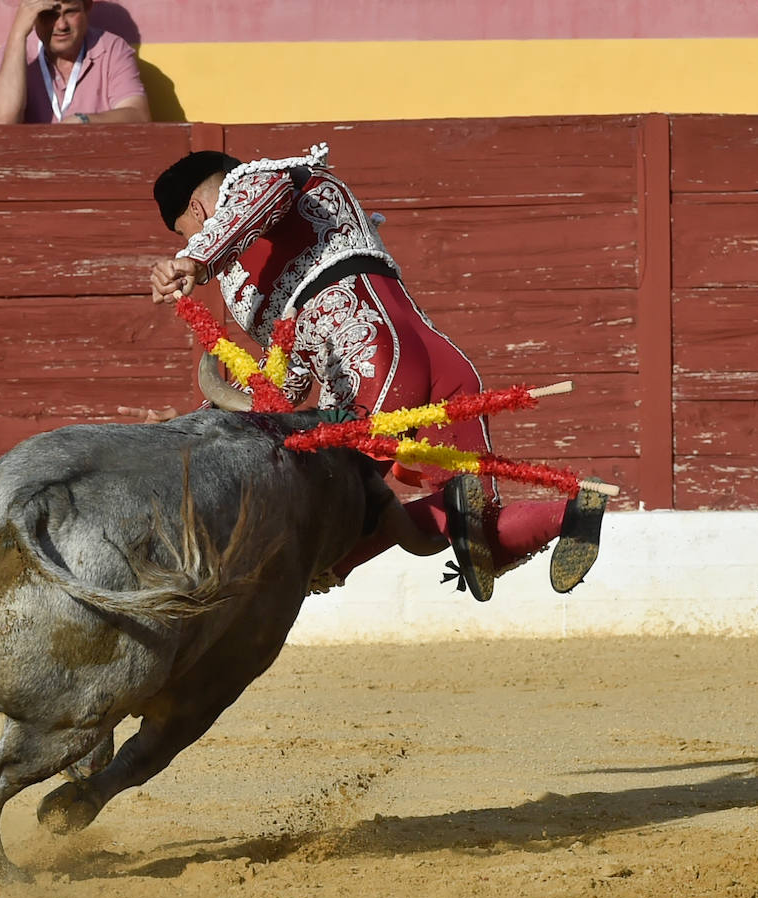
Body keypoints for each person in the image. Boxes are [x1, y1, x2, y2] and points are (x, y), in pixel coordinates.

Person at [148, 145, 608, 601]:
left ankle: (342, 557)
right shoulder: (279, 234)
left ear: (198, 207)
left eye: (184, 232)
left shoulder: (264, 182)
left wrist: (197, 260)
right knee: (481, 528)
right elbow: (285, 379)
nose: (187, 243)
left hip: (368, 355)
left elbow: (264, 195)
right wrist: (199, 423)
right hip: (430, 356)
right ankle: (574, 513)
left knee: (337, 503)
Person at [0, 0, 150, 125]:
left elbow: (138, 114)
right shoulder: (12, 52)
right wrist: (18, 33)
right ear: (32, 14)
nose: (61, 25)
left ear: (87, 7)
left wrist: (84, 121)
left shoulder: (112, 48)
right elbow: (4, 120)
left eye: (70, 12)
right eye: (49, 14)